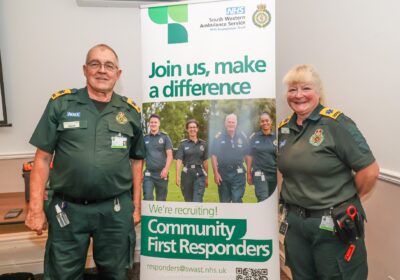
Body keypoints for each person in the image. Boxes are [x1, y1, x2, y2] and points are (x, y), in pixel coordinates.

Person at [25, 44, 145, 280]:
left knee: (116, 274)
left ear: (118, 74)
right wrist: (35, 208)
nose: (102, 70)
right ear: (85, 69)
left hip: (115, 211)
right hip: (68, 210)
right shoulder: (61, 104)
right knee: (63, 275)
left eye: (109, 65)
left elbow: (136, 162)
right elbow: (42, 158)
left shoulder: (130, 112)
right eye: (95, 64)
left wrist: (136, 207)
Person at [277, 64, 379, 280]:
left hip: (333, 226)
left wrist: (346, 200)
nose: (298, 95)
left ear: (319, 92)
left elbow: (369, 171)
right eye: (292, 90)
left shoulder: (336, 124)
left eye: (305, 88)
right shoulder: (284, 128)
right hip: (295, 224)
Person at [211, 113, 250, 203]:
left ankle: (238, 216)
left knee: (236, 199)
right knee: (224, 201)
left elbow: (247, 155)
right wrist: (216, 173)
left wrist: (249, 173)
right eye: (229, 122)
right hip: (223, 173)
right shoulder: (218, 137)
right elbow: (214, 155)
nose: (231, 124)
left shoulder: (242, 136)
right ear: (225, 123)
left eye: (233, 122)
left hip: (238, 173)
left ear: (236, 124)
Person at [176, 119, 208, 202]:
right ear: (187, 129)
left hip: (200, 174)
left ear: (197, 129)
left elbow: (205, 162)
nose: (192, 129)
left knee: (197, 200)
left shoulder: (203, 144)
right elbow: (179, 160)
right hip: (186, 174)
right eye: (190, 127)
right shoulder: (183, 144)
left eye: (194, 127)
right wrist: (177, 176)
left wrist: (207, 178)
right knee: (188, 201)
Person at [247, 112, 277, 202]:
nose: (265, 123)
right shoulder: (254, 137)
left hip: (273, 174)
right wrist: (248, 173)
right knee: (263, 198)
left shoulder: (276, 137)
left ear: (271, 121)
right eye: (262, 121)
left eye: (267, 120)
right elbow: (249, 156)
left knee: (272, 201)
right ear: (260, 123)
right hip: (259, 173)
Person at [142, 114, 173, 201]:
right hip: (148, 174)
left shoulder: (165, 137)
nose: (153, 124)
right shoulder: (145, 138)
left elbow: (170, 155)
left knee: (161, 200)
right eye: (151, 122)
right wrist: (140, 172)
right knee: (147, 198)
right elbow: (141, 157)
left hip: (162, 174)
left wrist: (166, 170)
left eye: (155, 122)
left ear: (159, 124)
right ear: (149, 124)